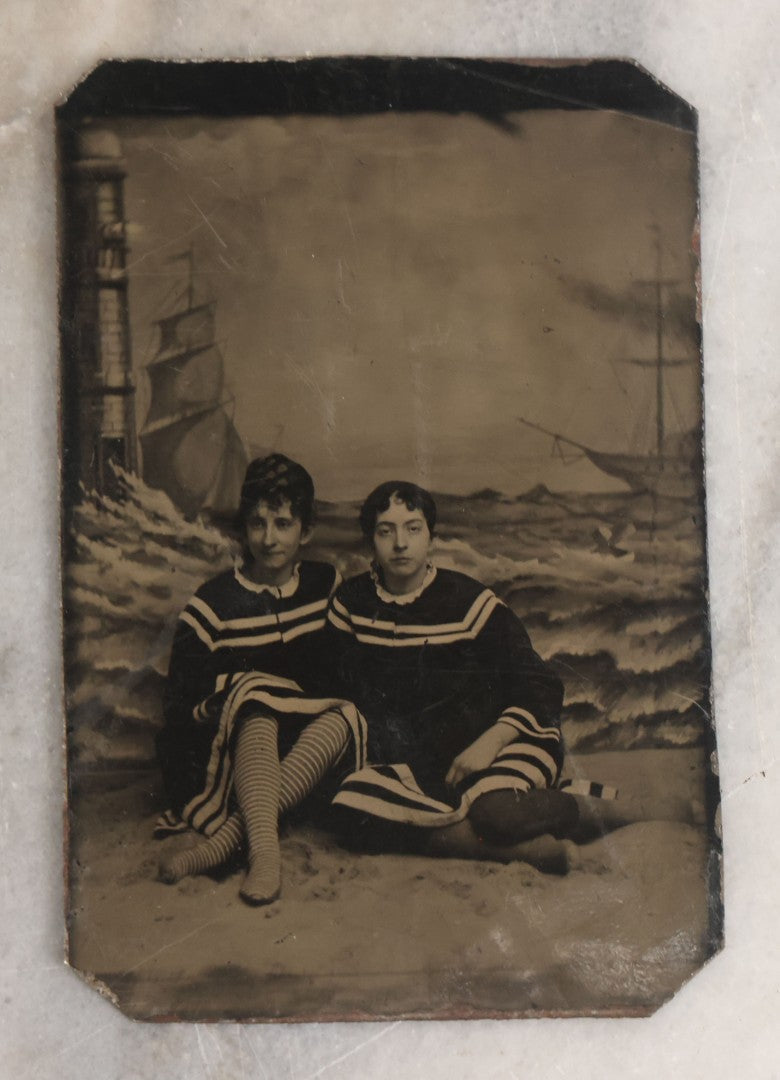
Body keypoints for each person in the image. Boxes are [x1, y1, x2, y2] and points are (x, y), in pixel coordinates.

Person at [326, 481, 580, 871]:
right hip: (423, 762)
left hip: (501, 738)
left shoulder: (468, 602)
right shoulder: (351, 603)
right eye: (385, 531)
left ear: (431, 537)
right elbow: (337, 688)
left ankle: (581, 808)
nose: (400, 544)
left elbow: (540, 681)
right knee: (351, 808)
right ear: (368, 541)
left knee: (498, 814)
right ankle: (514, 849)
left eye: (413, 528)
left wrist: (490, 743)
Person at [155, 454, 366, 905]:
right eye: (257, 524)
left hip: (300, 759)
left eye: (283, 524)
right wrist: (232, 699)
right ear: (243, 529)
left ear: (305, 531)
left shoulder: (325, 584)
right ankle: (265, 854)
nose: (269, 538)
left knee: (344, 714)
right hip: (230, 752)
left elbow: (340, 667)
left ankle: (226, 843)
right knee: (256, 698)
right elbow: (180, 709)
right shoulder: (212, 603)